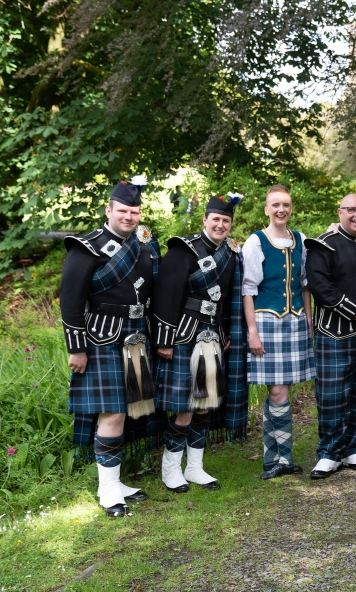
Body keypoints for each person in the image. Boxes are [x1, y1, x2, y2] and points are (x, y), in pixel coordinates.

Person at [60, 178, 158, 518]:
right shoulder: (86, 247)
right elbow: (70, 300)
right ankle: (107, 490)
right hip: (101, 336)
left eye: (134, 212)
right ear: (109, 210)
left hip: (137, 334)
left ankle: (116, 482)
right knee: (113, 411)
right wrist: (77, 348)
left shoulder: (145, 245)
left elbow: (153, 294)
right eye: (123, 211)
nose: (129, 217)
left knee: (131, 409)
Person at [152, 194, 248, 493]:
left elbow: (231, 299)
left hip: (213, 336)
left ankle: (194, 467)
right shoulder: (184, 249)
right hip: (184, 334)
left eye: (226, 221)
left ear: (231, 224)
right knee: (185, 406)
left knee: (205, 406)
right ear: (204, 219)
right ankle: (171, 470)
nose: (221, 225)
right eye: (216, 219)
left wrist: (228, 332)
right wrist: (165, 339)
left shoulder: (232, 253)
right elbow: (166, 295)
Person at [304, 193, 356, 479]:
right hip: (335, 331)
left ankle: (351, 449)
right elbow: (318, 284)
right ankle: (329, 453)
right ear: (339, 212)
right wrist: (351, 309)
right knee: (332, 395)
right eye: (351, 210)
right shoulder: (323, 244)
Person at [242, 185, 316, 480]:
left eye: (285, 204)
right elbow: (248, 289)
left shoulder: (301, 239)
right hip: (266, 323)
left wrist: (309, 319)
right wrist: (252, 331)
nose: (281, 210)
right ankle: (278, 458)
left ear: (291, 207)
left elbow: (305, 284)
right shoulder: (256, 242)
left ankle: (277, 458)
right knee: (276, 390)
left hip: (296, 321)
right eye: (275, 205)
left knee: (283, 390)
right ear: (266, 209)